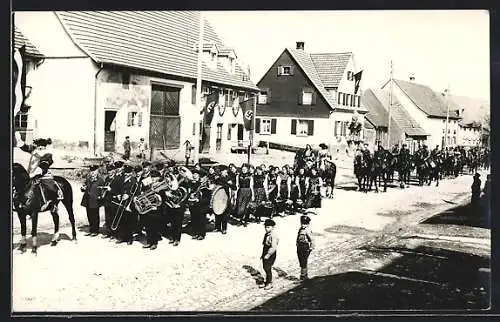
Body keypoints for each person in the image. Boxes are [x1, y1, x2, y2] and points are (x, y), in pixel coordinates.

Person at [141, 169, 163, 250]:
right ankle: (149, 242)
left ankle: (154, 243)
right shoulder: (148, 185)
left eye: (155, 177)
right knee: (148, 226)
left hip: (156, 209)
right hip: (148, 208)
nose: (153, 179)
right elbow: (144, 194)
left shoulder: (161, 186)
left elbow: (163, 198)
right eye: (152, 177)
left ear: (158, 178)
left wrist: (157, 206)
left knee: (154, 227)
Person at [81, 164, 105, 236]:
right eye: (91, 171)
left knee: (95, 215)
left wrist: (100, 197)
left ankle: (96, 230)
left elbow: (102, 190)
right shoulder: (88, 179)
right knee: (89, 215)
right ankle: (91, 229)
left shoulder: (100, 180)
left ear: (97, 171)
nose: (92, 172)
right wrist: (83, 188)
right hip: (87, 199)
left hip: (95, 200)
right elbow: (85, 186)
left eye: (93, 171)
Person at [260, 219, 278, 290]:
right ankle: (267, 281)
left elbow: (273, 247)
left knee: (267, 267)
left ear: (273, 227)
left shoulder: (273, 236)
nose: (266, 229)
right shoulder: (266, 234)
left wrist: (268, 254)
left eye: (268, 227)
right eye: (265, 227)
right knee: (265, 267)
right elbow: (264, 245)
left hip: (271, 253)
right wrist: (263, 254)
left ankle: (269, 283)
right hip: (265, 251)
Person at [296, 215, 314, 281]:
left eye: (305, 224)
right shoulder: (300, 229)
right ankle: (304, 275)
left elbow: (312, 240)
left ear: (308, 224)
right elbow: (298, 237)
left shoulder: (308, 230)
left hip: (305, 247)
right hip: (300, 247)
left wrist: (311, 248)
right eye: (302, 223)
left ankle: (303, 276)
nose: (303, 225)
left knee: (304, 262)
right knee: (301, 261)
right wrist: (297, 244)